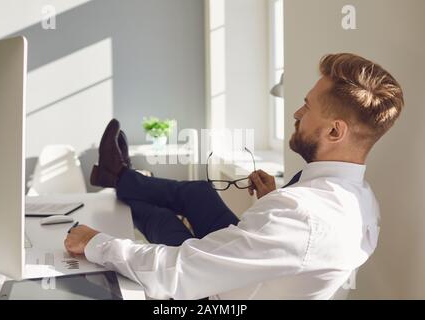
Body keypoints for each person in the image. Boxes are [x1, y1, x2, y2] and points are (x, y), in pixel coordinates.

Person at [64, 53, 404, 300]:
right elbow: (302, 243)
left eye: (307, 106)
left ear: (334, 130)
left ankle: (118, 180)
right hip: (254, 270)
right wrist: (273, 200)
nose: (297, 114)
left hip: (216, 296)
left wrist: (95, 242)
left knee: (158, 218)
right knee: (198, 193)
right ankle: (119, 178)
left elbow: (176, 274)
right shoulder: (360, 198)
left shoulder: (303, 214)